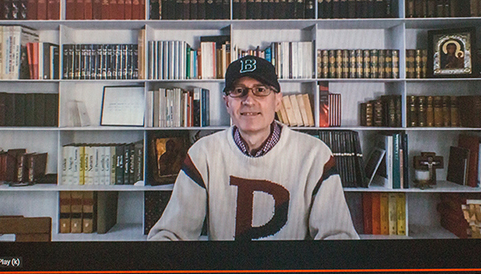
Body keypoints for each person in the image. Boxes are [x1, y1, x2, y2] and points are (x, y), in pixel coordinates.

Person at [147, 55, 359, 241]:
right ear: (227, 103)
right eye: (239, 91)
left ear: (278, 101)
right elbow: (173, 233)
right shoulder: (203, 154)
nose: (249, 100)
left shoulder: (315, 155)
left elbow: (337, 238)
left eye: (261, 90)